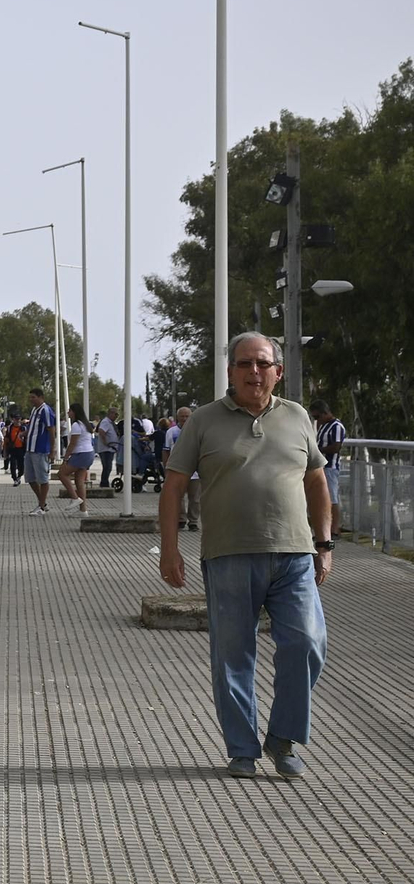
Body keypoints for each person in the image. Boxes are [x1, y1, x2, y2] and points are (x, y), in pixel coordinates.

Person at [160, 332, 331, 780]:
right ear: (230, 371)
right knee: (233, 656)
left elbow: (316, 482)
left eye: (262, 363)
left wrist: (325, 543)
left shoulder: (296, 416)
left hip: (294, 554)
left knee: (308, 644)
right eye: (244, 364)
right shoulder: (203, 420)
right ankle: (242, 748)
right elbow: (174, 485)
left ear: (278, 371)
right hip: (228, 555)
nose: (253, 372)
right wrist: (171, 549)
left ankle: (283, 737)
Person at [311, 399, 347, 539]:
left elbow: (337, 447)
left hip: (330, 467)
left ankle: (335, 530)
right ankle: (323, 530)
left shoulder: (336, 426)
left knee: (332, 499)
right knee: (320, 498)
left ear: (325, 413)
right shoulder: (323, 426)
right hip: (321, 467)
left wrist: (319, 450)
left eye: (317, 417)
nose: (316, 420)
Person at [164, 406, 200, 530]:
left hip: (195, 472)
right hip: (177, 469)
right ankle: (181, 519)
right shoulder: (171, 432)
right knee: (178, 497)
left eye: (187, 416)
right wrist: (166, 467)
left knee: (195, 498)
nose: (184, 419)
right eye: (182, 416)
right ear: (177, 417)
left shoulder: (198, 430)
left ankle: (193, 521)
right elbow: (166, 450)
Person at [56, 403, 94, 516]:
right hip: (88, 453)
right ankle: (83, 510)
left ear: (74, 412)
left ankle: (74, 497)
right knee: (79, 481)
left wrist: (66, 459)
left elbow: (72, 444)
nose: (68, 413)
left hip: (81, 454)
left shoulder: (77, 425)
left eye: (69, 411)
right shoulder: (85, 424)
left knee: (62, 474)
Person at [24, 388, 58, 515]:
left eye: (33, 397)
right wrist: (25, 433)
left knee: (42, 478)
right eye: (30, 397)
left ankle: (41, 507)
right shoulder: (34, 410)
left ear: (40, 397)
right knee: (30, 478)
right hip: (30, 449)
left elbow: (51, 430)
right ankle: (42, 502)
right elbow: (34, 427)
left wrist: (52, 449)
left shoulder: (46, 410)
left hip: (41, 449)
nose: (31, 400)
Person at [94, 408, 121, 490]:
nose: (116, 416)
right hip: (106, 449)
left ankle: (105, 482)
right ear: (110, 413)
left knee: (108, 467)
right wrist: (106, 442)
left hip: (110, 449)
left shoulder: (111, 423)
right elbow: (101, 431)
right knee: (107, 466)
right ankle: (104, 483)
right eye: (115, 414)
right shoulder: (106, 422)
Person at [7, 415, 25, 484]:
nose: (18, 421)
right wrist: (5, 451)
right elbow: (7, 439)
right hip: (13, 449)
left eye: (19, 419)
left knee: (21, 465)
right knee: (13, 465)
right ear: (13, 419)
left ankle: (19, 476)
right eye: (16, 419)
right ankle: (14, 478)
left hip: (21, 449)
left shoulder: (23, 428)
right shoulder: (10, 428)